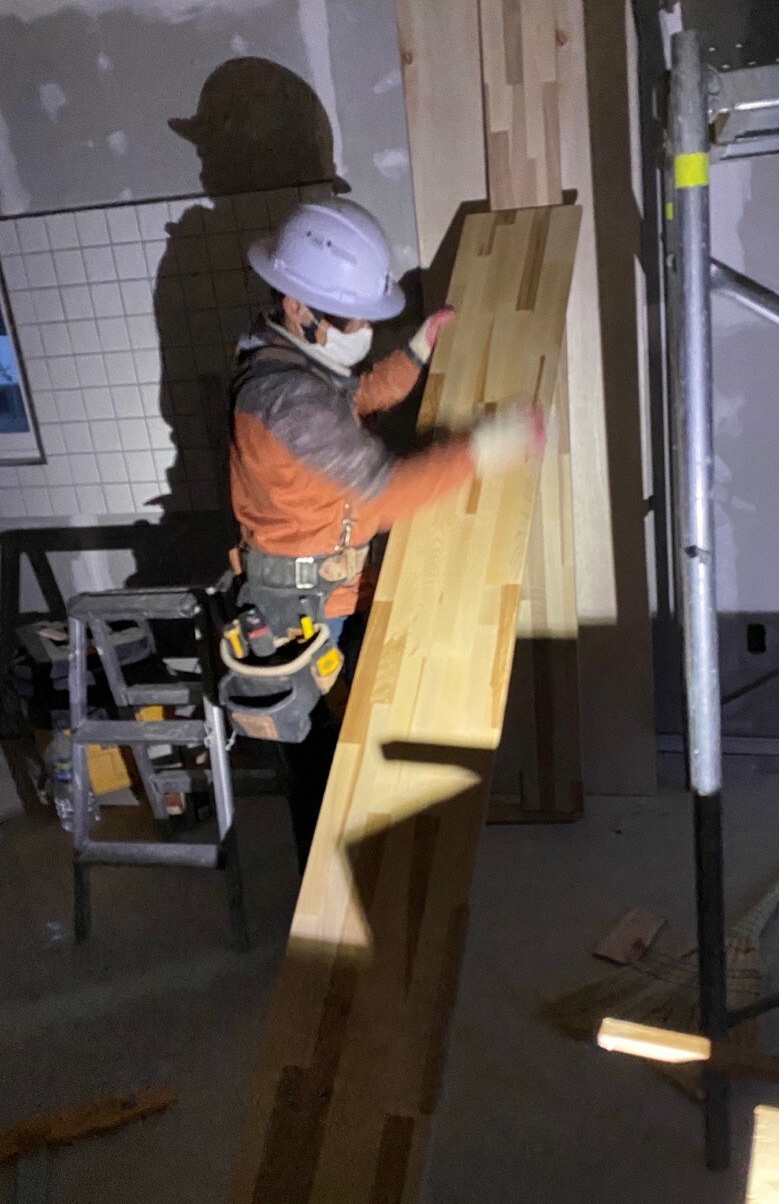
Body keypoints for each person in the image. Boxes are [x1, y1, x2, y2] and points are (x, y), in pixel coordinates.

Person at [229, 197, 544, 865]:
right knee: (322, 773)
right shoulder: (287, 400)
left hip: (325, 595)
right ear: (298, 306)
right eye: (356, 319)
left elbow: (356, 399)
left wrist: (416, 351)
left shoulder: (290, 367)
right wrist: (488, 448)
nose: (366, 330)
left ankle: (368, 863)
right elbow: (388, 490)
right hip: (304, 616)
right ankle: (329, 892)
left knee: (355, 743)